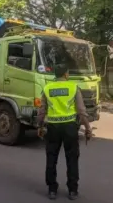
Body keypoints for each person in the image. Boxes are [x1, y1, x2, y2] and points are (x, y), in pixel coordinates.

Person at [37, 64, 92, 200]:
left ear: (55, 75)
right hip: (70, 128)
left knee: (51, 157)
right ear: (66, 74)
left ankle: (52, 190)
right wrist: (88, 128)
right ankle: (72, 190)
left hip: (53, 128)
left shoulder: (47, 88)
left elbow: (42, 111)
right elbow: (81, 111)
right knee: (72, 158)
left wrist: (40, 126)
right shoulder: (73, 87)